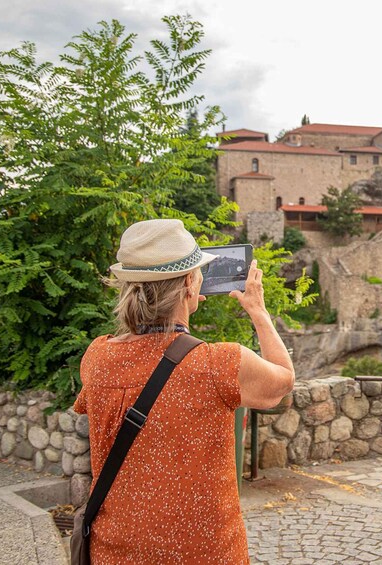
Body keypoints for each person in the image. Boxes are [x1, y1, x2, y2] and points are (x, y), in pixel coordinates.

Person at [73, 219, 295, 564]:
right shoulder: (218, 363)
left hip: (115, 550)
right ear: (190, 283)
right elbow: (282, 381)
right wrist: (258, 310)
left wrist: (181, 303)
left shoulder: (97, 358)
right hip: (203, 552)